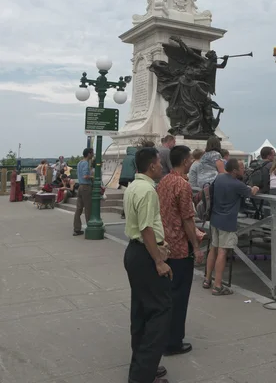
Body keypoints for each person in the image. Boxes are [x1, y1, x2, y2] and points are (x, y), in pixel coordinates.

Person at [123, 147, 172, 383]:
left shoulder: (133, 186)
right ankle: (143, 373)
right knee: (161, 311)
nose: (162, 166)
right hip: (145, 253)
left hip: (135, 252)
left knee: (141, 311)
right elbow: (146, 228)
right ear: (151, 166)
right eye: (159, 163)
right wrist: (159, 261)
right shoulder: (148, 191)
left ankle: (143, 366)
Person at [157, 145, 204, 356]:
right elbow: (187, 219)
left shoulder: (164, 182)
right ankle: (173, 341)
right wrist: (196, 245)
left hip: (165, 245)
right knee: (179, 297)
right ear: (186, 161)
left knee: (166, 296)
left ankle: (163, 336)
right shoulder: (182, 185)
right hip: (180, 248)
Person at [203, 159, 259, 296]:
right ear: (234, 171)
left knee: (213, 248)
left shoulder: (219, 178)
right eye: (241, 168)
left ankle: (207, 279)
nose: (244, 170)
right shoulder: (237, 185)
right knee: (223, 251)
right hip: (227, 222)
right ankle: (217, 286)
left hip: (215, 218)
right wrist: (255, 188)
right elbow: (251, 192)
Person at [73, 148, 94, 236]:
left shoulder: (79, 163)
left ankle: (77, 228)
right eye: (92, 153)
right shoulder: (85, 163)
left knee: (79, 208)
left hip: (80, 186)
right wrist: (93, 177)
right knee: (88, 208)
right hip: (86, 186)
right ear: (89, 154)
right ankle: (90, 227)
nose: (93, 154)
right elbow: (86, 176)